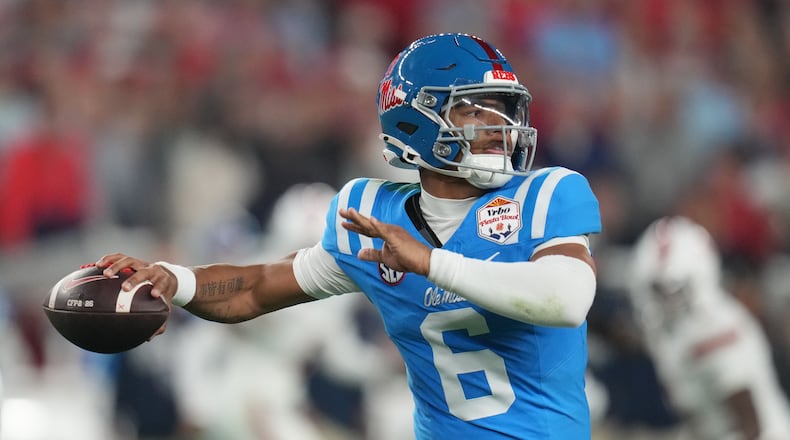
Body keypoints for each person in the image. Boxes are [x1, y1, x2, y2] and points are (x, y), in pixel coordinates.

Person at [97, 33, 601, 439]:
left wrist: (430, 263)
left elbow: (567, 299)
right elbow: (255, 288)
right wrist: (173, 281)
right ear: (414, 122)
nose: (499, 127)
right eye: (475, 110)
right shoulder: (370, 217)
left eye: (503, 110)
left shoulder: (547, 194)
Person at [628, 216, 790, 440]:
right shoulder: (671, 332)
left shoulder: (717, 328)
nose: (666, 301)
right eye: (658, 289)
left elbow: (751, 427)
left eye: (674, 290)